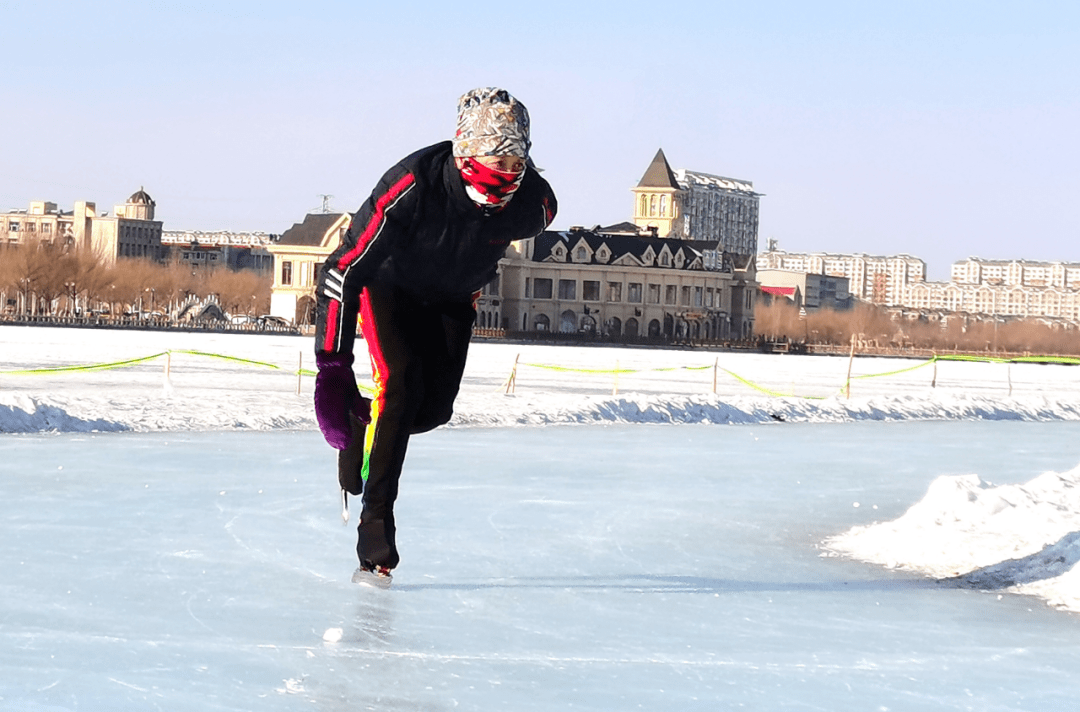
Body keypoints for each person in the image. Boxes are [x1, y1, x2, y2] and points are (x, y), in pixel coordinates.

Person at [313, 87, 557, 587]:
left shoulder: (536, 204)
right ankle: (375, 529)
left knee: (431, 411)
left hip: (451, 298)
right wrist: (333, 366)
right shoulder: (410, 184)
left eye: (516, 161)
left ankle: (364, 423)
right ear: (465, 152)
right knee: (400, 384)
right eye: (495, 159)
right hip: (390, 287)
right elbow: (342, 268)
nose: (506, 172)